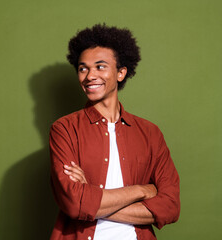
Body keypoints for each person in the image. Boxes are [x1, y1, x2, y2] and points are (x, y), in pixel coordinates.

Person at [49, 24, 180, 240]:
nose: (90, 76)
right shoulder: (64, 129)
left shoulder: (150, 133)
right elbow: (74, 204)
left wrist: (91, 201)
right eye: (83, 68)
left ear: (121, 73)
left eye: (100, 67)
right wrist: (143, 191)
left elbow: (170, 206)